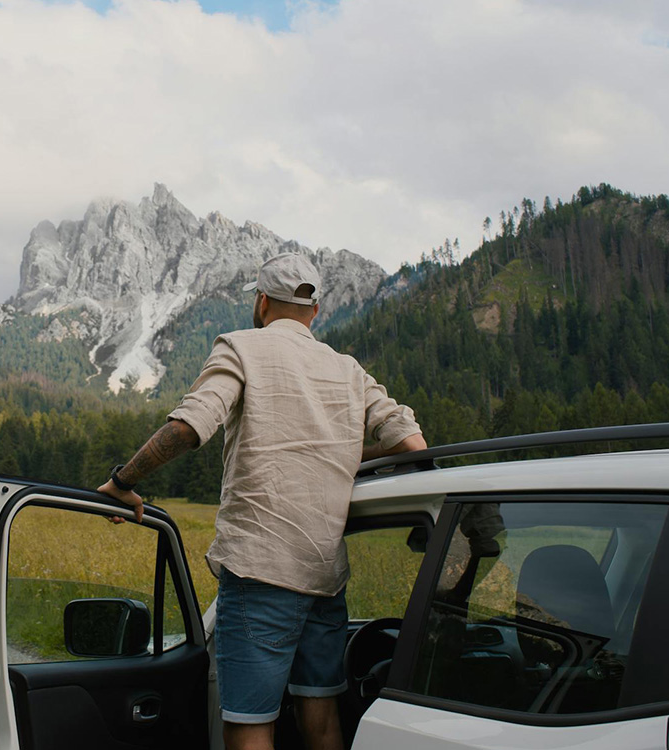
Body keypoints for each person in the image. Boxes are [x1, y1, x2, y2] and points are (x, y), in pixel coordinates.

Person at [98, 252, 426, 750]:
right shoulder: (349, 370)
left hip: (260, 574)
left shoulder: (241, 348)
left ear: (260, 301)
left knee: (251, 725)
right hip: (325, 579)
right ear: (314, 311)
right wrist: (341, 453)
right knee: (321, 720)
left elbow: (190, 427)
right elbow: (410, 443)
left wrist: (123, 480)